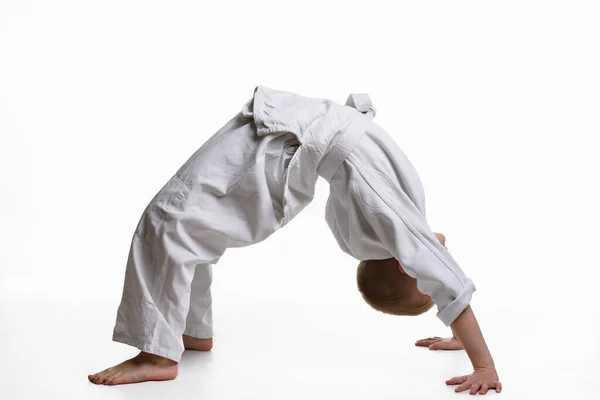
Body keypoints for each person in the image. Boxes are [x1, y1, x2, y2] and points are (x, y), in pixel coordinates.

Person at [88, 86, 502, 395]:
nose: (439, 255)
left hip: (291, 141)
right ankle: (189, 332)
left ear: (403, 266)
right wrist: (461, 340)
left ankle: (159, 353)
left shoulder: (393, 225)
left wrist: (484, 367)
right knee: (186, 224)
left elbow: (447, 285)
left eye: (422, 278)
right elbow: (441, 284)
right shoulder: (395, 223)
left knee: (169, 219)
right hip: (296, 133)